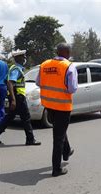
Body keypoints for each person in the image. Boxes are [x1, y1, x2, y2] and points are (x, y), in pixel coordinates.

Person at [37, 43, 77, 177]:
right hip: (63, 106)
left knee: (59, 130)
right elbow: (72, 88)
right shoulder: (69, 66)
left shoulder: (44, 64)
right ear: (67, 53)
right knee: (58, 138)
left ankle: (66, 151)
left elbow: (38, 82)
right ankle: (56, 169)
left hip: (49, 104)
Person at [0, 50, 41, 146]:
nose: (25, 59)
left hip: (17, 96)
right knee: (26, 118)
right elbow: (10, 82)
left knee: (9, 117)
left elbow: (7, 81)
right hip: (18, 97)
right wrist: (13, 99)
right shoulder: (16, 69)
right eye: (23, 57)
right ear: (18, 58)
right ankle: (30, 139)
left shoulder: (16, 68)